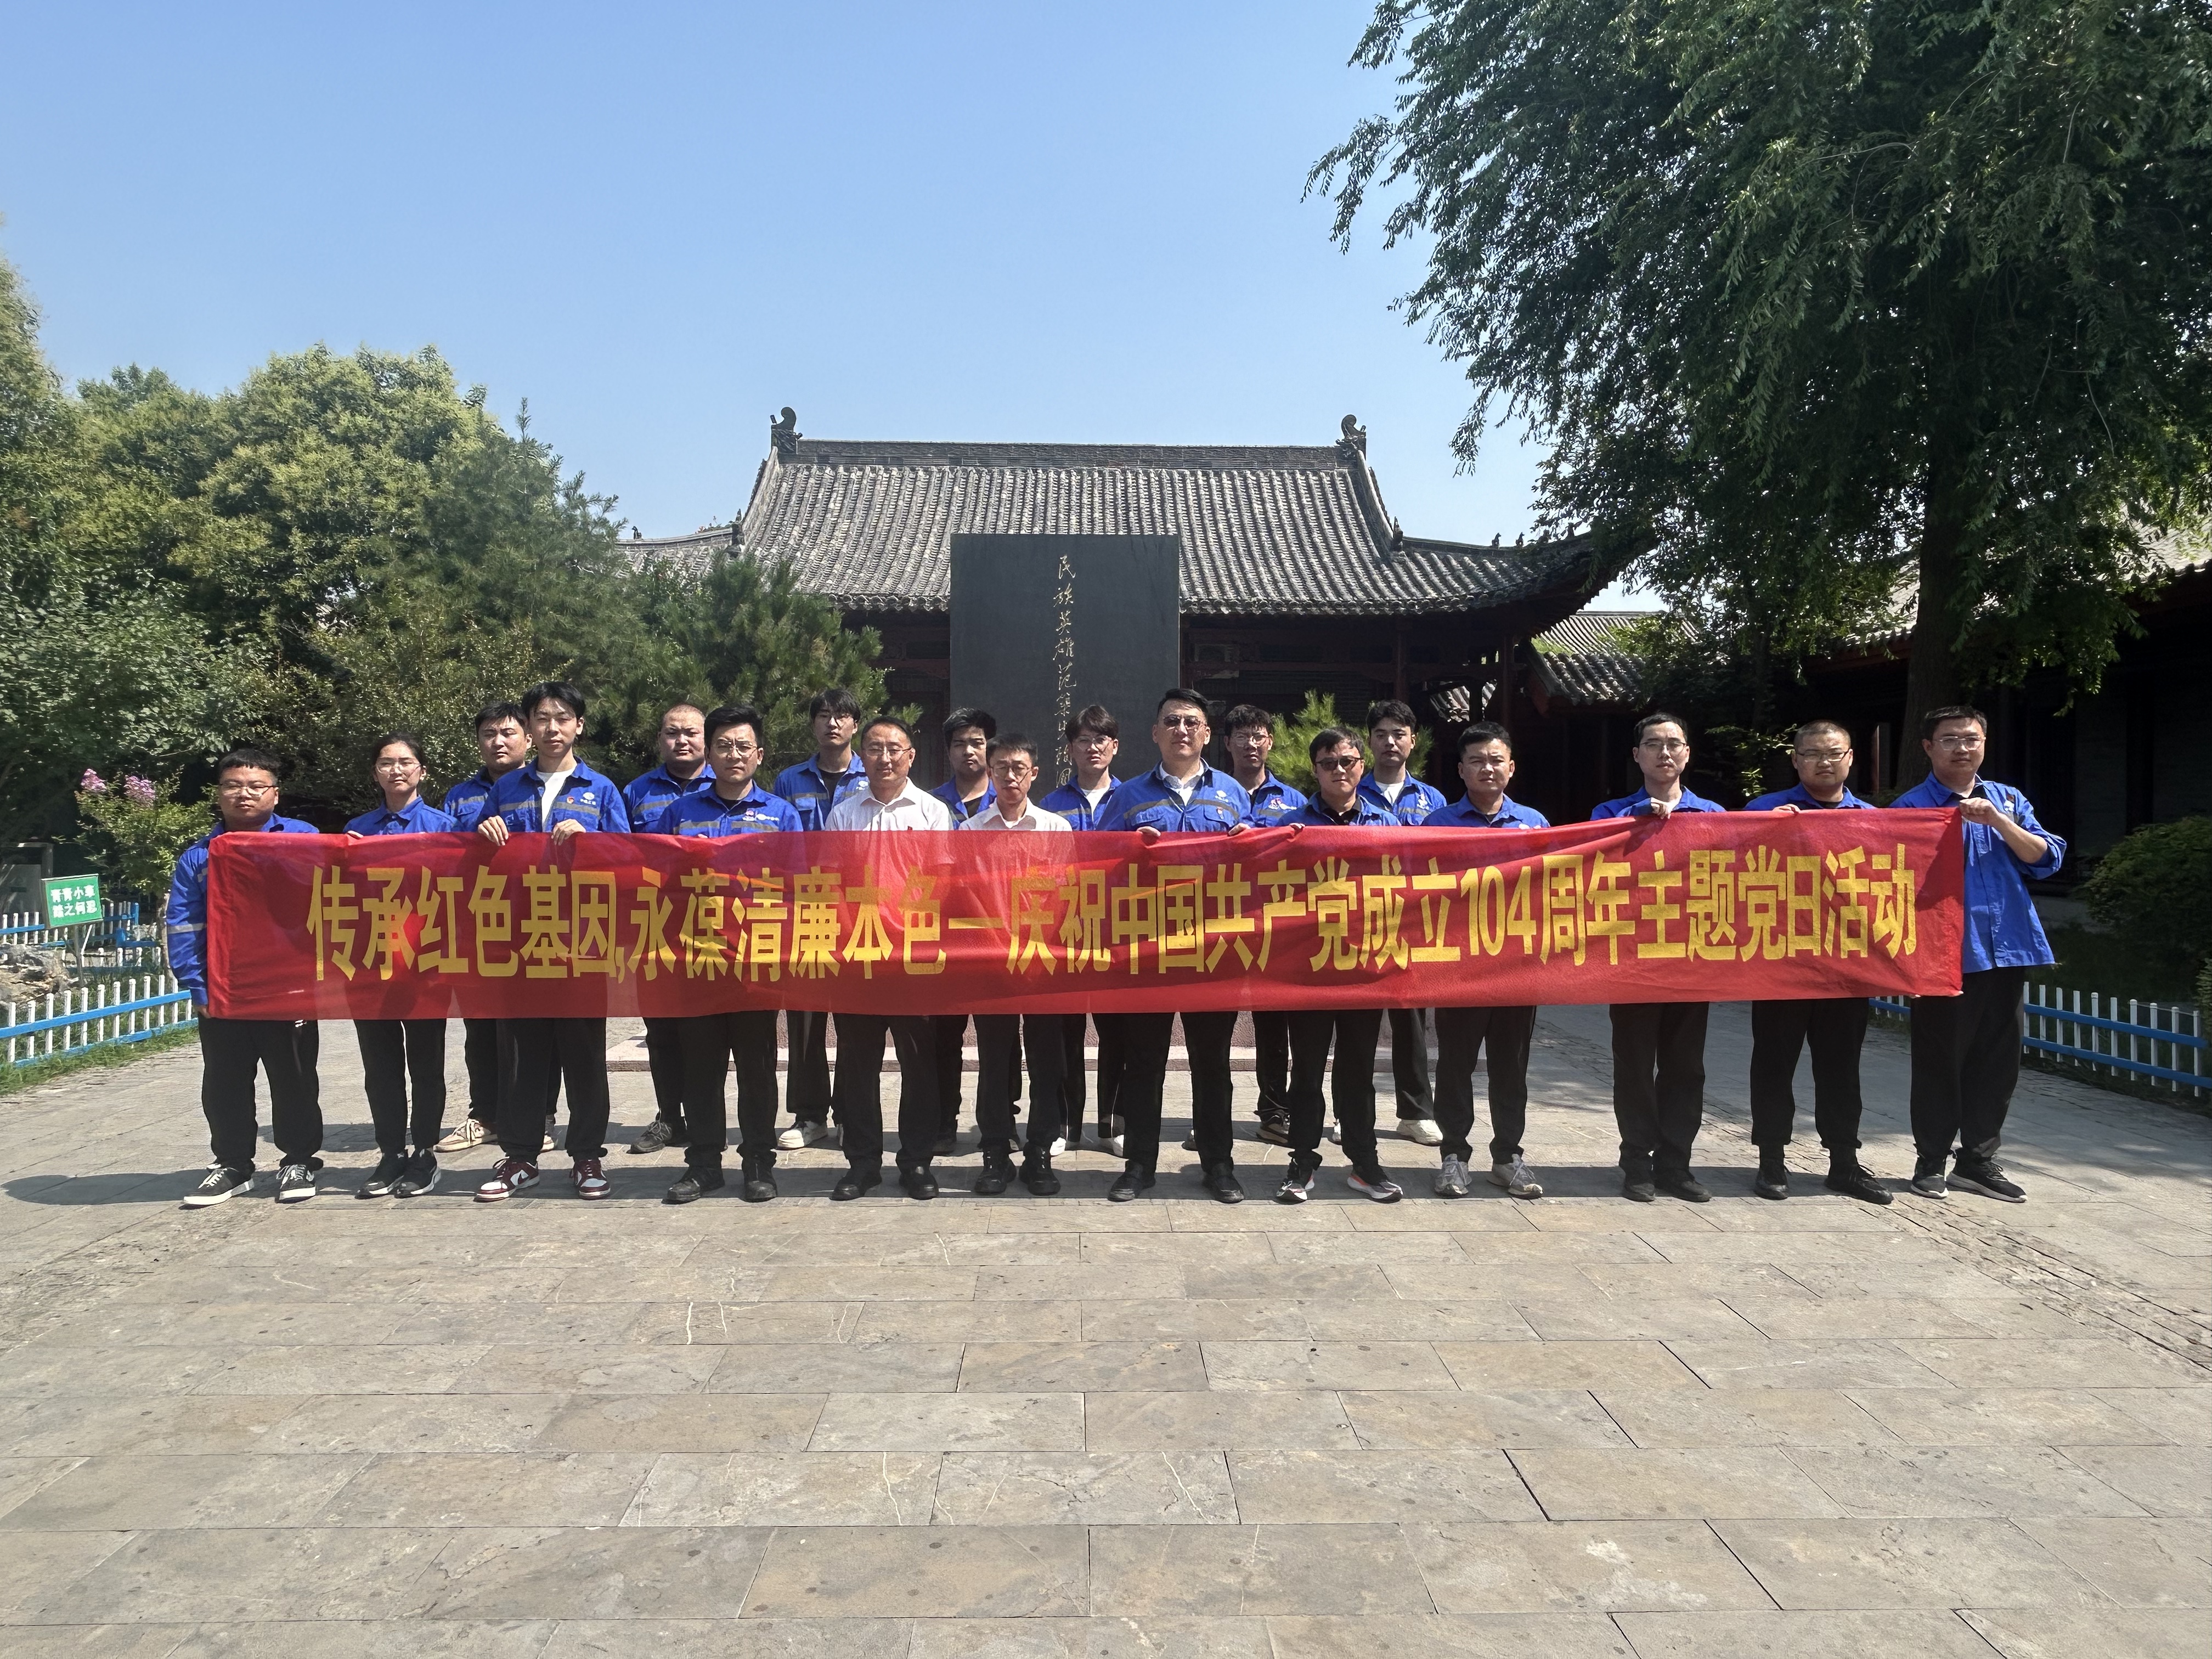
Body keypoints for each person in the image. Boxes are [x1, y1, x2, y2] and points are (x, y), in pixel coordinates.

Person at [1893, 706, 2065, 1203]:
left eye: (1971, 739)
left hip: (2008, 946)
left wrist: (1999, 821)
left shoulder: (2007, 799)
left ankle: (1977, 1161)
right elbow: (1892, 885)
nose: (1962, 748)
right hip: (1944, 955)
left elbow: (2046, 859)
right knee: (1940, 1059)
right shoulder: (1911, 808)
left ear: (1984, 744)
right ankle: (1930, 1162)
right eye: (1949, 740)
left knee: (1998, 1060)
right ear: (1928, 748)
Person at [472, 681, 632, 1203]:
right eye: (542, 718)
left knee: (584, 1055)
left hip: (582, 943)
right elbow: (473, 862)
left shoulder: (601, 790)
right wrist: (484, 833)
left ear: (579, 726)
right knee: (520, 1056)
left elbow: (628, 861)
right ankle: (520, 1157)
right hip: (520, 943)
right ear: (529, 728)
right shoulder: (506, 789)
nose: (552, 728)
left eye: (563, 718)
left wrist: (594, 844)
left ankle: (586, 1156)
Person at [1092, 690, 1254, 1203]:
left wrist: (1251, 843)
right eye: (1171, 722)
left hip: (1214, 950)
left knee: (1213, 1064)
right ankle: (1139, 1165)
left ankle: (1219, 1165)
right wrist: (1127, 851)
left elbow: (1258, 871)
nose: (1181, 730)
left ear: (1206, 734)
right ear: (1155, 733)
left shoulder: (1232, 794)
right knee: (1144, 1062)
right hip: (1149, 949)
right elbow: (1098, 865)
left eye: (1191, 722)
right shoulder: (1128, 796)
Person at [649, 704, 801, 1204]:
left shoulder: (783, 815)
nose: (734, 755)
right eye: (723, 746)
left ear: (760, 755)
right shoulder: (679, 814)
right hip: (698, 962)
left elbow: (800, 886)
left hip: (757, 963)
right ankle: (704, 1165)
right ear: (709, 755)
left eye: (743, 746)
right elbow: (658, 881)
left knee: (757, 1070)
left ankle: (759, 1163)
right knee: (701, 1070)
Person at [1743, 722, 1890, 1205]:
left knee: (1841, 1067)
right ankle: (1771, 1160)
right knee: (1773, 1063)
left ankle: (1844, 1161)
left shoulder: (1873, 819)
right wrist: (1762, 832)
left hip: (1844, 964)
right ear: (1795, 760)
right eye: (1812, 754)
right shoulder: (1764, 811)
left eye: (1833, 753)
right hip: (1780, 960)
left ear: (1851, 758)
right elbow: (1727, 865)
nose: (1824, 762)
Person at [170, 748, 324, 1206]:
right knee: (225, 1080)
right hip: (225, 988)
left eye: (256, 786)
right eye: (233, 786)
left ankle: (299, 1160)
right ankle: (233, 1164)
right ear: (219, 794)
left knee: (294, 1077)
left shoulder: (305, 839)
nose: (245, 794)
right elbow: (183, 925)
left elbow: (337, 893)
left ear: (275, 794)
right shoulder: (199, 856)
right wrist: (198, 985)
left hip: (289, 985)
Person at [1593, 712, 1728, 1202]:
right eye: (1653, 744)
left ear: (1687, 753)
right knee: (1633, 1066)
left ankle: (1676, 1163)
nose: (1664, 752)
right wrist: (1637, 826)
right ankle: (1636, 1162)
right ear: (1637, 755)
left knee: (1685, 1068)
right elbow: (1591, 868)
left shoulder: (1713, 815)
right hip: (1632, 960)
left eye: (1674, 743)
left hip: (1691, 960)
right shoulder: (1610, 814)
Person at [823, 715, 955, 1199]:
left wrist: (904, 933)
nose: (885, 757)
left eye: (894, 749)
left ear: (911, 757)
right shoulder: (844, 815)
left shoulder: (932, 812)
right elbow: (833, 882)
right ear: (862, 756)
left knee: (919, 1065)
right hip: (859, 957)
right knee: (858, 1067)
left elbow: (941, 883)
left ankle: (916, 1161)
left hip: (913, 959)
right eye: (875, 749)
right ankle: (862, 1164)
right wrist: (859, 933)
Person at [1274, 727, 1404, 1204]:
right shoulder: (1291, 825)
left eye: (1347, 761)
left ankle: (1364, 1162)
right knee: (1307, 1070)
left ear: (1362, 766)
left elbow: (1409, 886)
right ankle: (1302, 1160)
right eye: (1328, 763)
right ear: (1315, 770)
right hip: (1308, 967)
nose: (1339, 770)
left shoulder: (1386, 825)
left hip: (1364, 966)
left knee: (1358, 1071)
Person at [1428, 721, 1549, 1200]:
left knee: (1511, 1066)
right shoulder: (1438, 825)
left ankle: (1508, 1157)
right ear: (1461, 770)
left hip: (1517, 968)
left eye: (1496, 760)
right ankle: (1454, 1156)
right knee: (1455, 1064)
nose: (1487, 768)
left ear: (1511, 767)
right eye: (1476, 760)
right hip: (1459, 969)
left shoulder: (1534, 823)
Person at [344, 733, 458, 1199]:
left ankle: (425, 1153)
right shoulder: (357, 831)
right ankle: (391, 1152)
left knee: (426, 1064)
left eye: (406, 762)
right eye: (386, 763)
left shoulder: (445, 828)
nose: (396, 770)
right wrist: (344, 858)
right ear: (375, 773)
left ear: (422, 771)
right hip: (370, 963)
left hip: (426, 963)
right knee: (380, 1066)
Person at [961, 732, 1071, 1197]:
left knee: (1047, 1062)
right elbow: (963, 896)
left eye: (1018, 768)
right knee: (993, 1061)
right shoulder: (970, 832)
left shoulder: (1056, 829)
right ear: (990, 774)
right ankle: (995, 1154)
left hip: (1043, 963)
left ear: (1034, 774)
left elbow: (1068, 894)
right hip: (991, 964)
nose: (1010, 776)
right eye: (1001, 768)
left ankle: (1040, 1153)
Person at [437, 701, 547, 1154]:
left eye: (507, 733)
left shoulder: (545, 787)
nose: (498, 742)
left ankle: (539, 1117)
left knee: (539, 1028)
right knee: (481, 1028)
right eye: (488, 734)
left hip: (541, 925)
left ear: (528, 738)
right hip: (480, 926)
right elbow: (440, 853)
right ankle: (484, 1116)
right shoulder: (460, 796)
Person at [770, 687, 868, 1151]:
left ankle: (849, 1111)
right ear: (812, 724)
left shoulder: (873, 776)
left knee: (854, 1016)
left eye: (842, 716)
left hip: (859, 912)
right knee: (805, 1017)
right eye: (824, 715)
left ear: (855, 725)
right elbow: (776, 844)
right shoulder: (789, 781)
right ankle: (809, 1115)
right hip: (804, 910)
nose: (833, 723)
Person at [624, 703, 716, 1159]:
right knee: (661, 1030)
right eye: (672, 733)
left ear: (707, 740)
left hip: (718, 933)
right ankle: (669, 1116)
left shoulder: (727, 783)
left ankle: (708, 1119)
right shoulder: (636, 792)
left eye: (692, 733)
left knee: (711, 1032)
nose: (682, 741)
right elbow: (619, 856)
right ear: (660, 740)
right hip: (658, 926)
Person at [1039, 704, 1126, 1154]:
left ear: (1115, 747)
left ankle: (1113, 1125)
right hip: (1065, 931)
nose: (1093, 748)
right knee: (1065, 1033)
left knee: (1118, 1033)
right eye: (1083, 740)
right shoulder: (1050, 806)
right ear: (1070, 749)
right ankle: (1065, 1126)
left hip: (1119, 931)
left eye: (1101, 740)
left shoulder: (1132, 799)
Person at [1362, 699, 1447, 1148]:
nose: (1390, 743)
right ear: (1369, 742)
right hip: (1360, 923)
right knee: (1356, 1023)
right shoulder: (1352, 791)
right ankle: (1351, 1111)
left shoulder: (1434, 801)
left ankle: (1415, 1113)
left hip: (1413, 925)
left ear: (1413, 741)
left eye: (1399, 735)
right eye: (1381, 735)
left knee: (1411, 1022)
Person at [1222, 703, 1304, 1148]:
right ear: (1227, 743)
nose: (1251, 744)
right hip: (1219, 924)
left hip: (1277, 929)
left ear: (1270, 742)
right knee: (1212, 1026)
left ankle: (1274, 1112)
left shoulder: (1294, 802)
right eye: (1242, 736)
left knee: (1275, 1027)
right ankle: (1210, 1116)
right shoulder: (1212, 794)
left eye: (1258, 736)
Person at [929, 707, 1003, 1154]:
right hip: (945, 937)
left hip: (996, 937)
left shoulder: (1008, 800)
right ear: (948, 752)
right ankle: (943, 1121)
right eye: (960, 744)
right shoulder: (931, 806)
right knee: (944, 1035)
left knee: (999, 1038)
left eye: (977, 743)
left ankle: (1000, 1122)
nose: (969, 751)